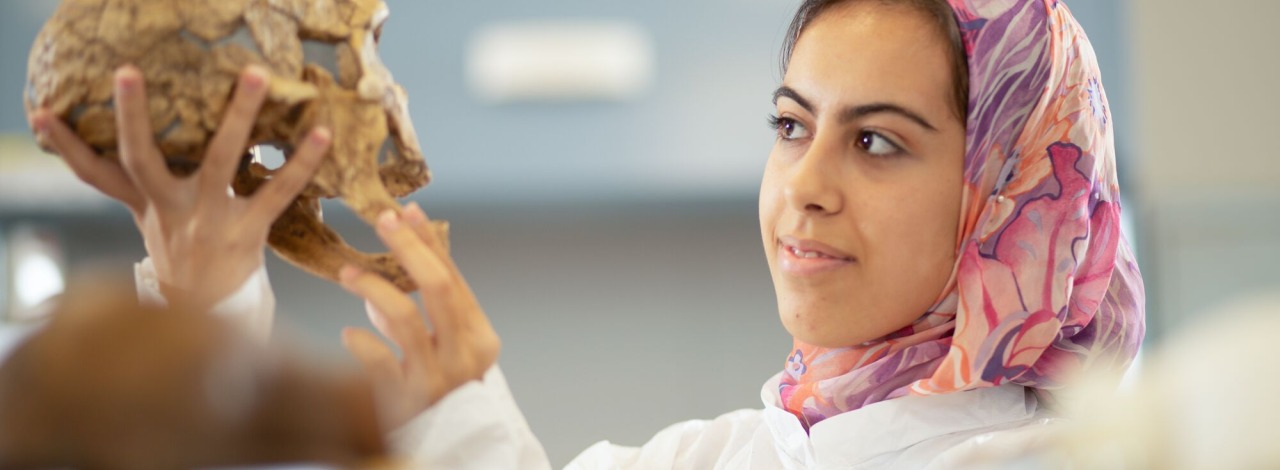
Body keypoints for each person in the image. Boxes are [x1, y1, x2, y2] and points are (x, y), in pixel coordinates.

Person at [27, 0, 1144, 467]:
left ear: (1008, 193)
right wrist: (207, 282)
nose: (802, 185)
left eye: (879, 142)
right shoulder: (739, 451)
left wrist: (454, 417)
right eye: (790, 125)